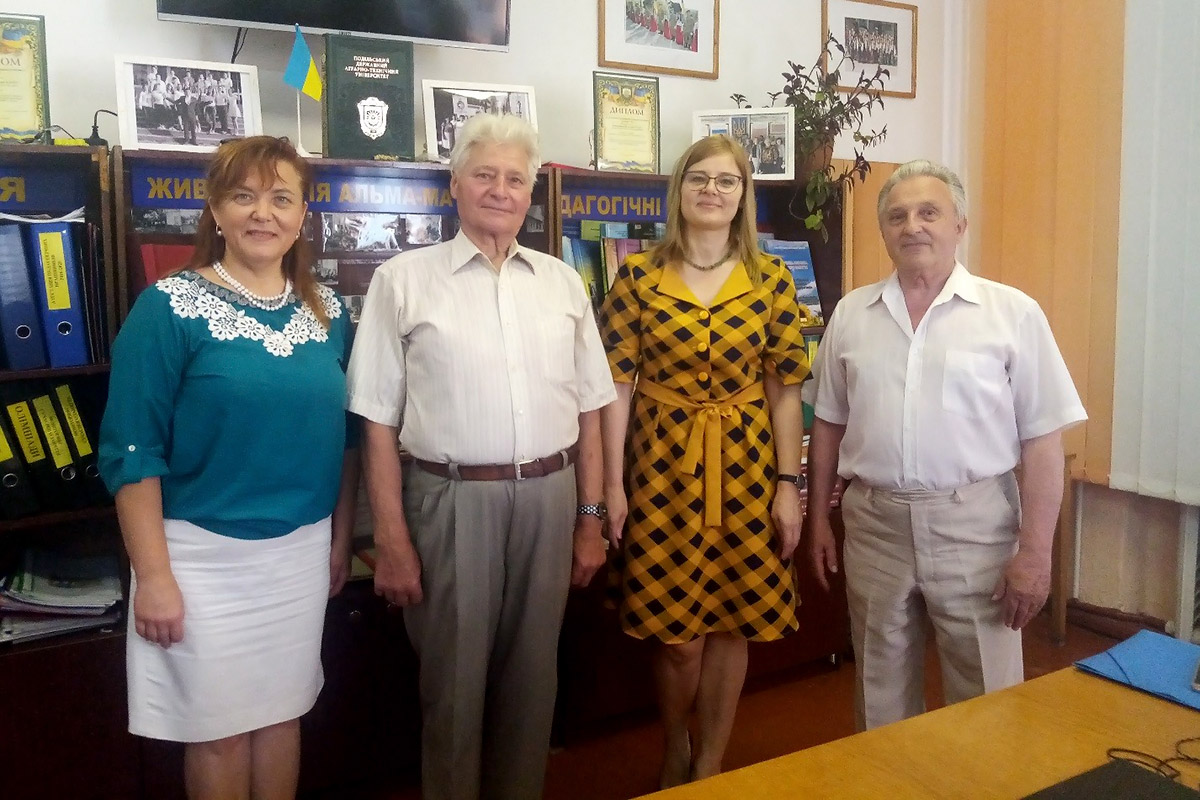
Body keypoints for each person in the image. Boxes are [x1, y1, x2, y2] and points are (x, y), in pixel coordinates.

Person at [346, 113, 615, 800]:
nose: (501, 190)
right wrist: (391, 541)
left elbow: (590, 407)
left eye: (515, 179)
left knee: (534, 685)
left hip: (550, 500)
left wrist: (590, 518)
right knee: (454, 690)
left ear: (531, 193)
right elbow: (375, 419)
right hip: (450, 501)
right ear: (455, 185)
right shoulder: (402, 280)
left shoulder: (562, 283)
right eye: (485, 175)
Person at [99, 136, 360, 800]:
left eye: (281, 198)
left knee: (282, 715)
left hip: (298, 556)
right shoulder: (167, 309)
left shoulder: (330, 315)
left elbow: (348, 440)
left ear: (303, 216)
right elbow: (132, 451)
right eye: (243, 196)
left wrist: (339, 540)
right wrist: (154, 577)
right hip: (199, 561)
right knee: (218, 735)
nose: (262, 213)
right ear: (215, 211)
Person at [804, 159, 1087, 732]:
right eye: (897, 216)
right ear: (883, 231)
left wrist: (1035, 554)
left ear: (960, 224)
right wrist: (817, 523)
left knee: (986, 695)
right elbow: (829, 424)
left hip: (975, 527)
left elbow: (1043, 442)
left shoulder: (1011, 314)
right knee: (878, 691)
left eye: (928, 212)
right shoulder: (852, 315)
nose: (912, 226)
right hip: (875, 526)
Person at [598, 134, 810, 788]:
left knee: (731, 624)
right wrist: (611, 485)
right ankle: (675, 745)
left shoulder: (771, 279)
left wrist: (789, 484)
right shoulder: (637, 277)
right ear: (680, 189)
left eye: (726, 181)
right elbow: (616, 386)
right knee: (678, 638)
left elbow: (785, 389)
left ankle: (711, 759)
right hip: (661, 470)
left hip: (747, 469)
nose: (711, 191)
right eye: (699, 178)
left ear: (743, 195)